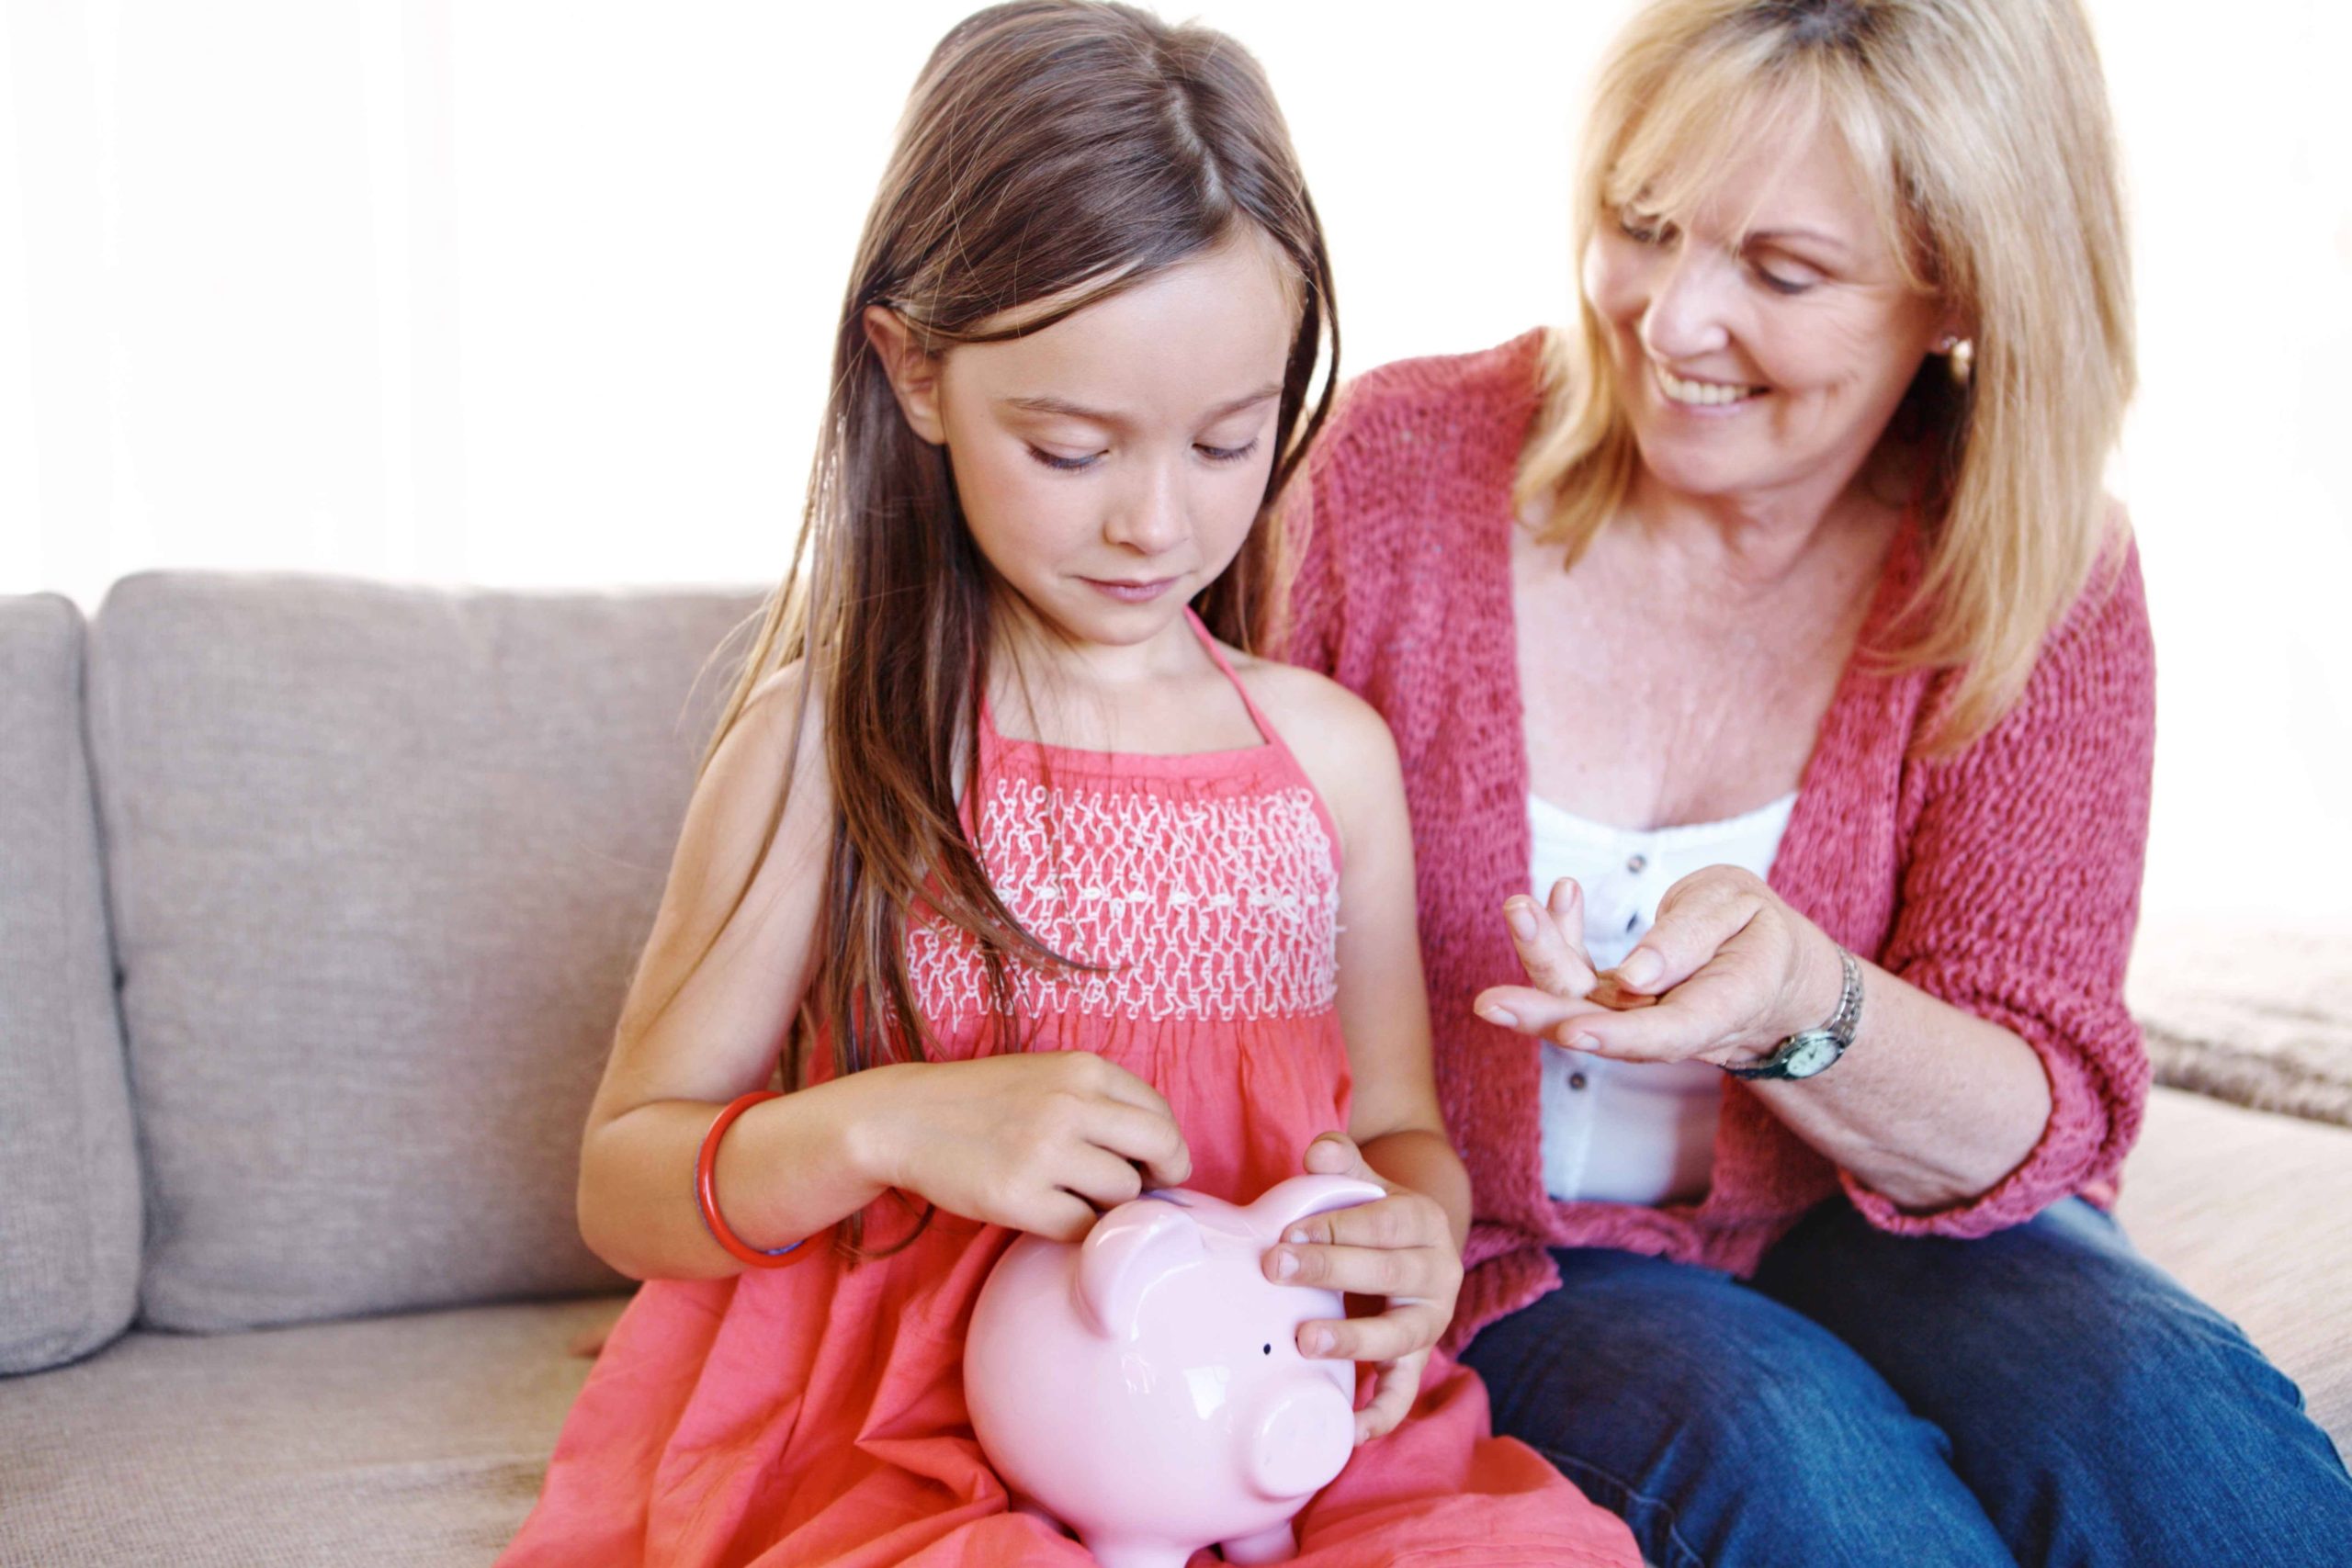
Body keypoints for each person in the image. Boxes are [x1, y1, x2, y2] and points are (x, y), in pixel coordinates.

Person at [495, 5, 1638, 1564]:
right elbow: (626, 1181)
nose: (1154, 525)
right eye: (1071, 448)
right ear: (912, 373)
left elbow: (1398, 1133)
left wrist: (1413, 1240)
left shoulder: (1327, 763)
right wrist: (888, 1126)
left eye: (1227, 441)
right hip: (915, 1450)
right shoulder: (832, 745)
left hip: (1270, 1441)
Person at [1276, 0, 2352, 1563]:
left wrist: (1804, 1005)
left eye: (1782, 272)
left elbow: (2036, 1115)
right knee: (1802, 1467)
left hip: (1893, 1231)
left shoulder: (2043, 569)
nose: (1671, 318)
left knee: (2190, 1443)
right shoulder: (1386, 477)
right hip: (1512, 1251)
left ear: (1962, 293)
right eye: (1643, 225)